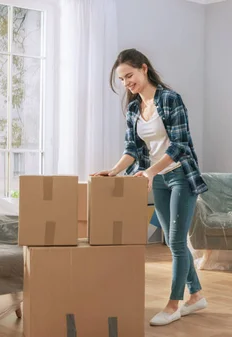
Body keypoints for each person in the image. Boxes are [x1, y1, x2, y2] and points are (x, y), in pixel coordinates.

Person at [91, 48, 208, 326]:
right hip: (158, 179)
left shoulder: (170, 99)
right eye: (121, 80)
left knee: (177, 242)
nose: (126, 83)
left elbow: (180, 145)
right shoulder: (133, 108)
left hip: (180, 175)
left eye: (129, 76)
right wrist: (115, 170)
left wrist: (151, 172)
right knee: (172, 240)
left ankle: (172, 305)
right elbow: (131, 148)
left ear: (144, 69)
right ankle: (197, 296)